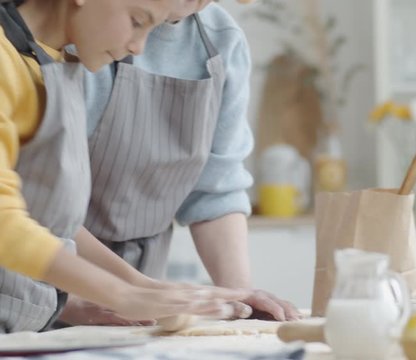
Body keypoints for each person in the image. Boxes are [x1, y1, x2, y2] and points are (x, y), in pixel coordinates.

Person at [0, 0, 249, 333]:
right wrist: (121, 292)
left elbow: (51, 218)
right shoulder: (18, 61)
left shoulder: (53, 62)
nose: (138, 46)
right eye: (137, 21)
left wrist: (143, 288)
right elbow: (12, 218)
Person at [59, 0, 300, 326]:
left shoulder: (220, 41)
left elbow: (215, 189)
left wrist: (239, 300)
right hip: (44, 283)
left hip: (141, 301)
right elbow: (42, 201)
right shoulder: (81, 25)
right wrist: (122, 291)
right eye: (137, 21)